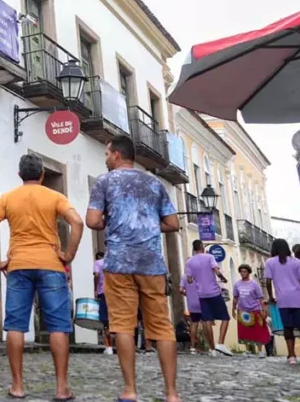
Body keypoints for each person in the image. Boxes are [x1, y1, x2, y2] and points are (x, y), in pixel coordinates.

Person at [86, 135, 181, 402]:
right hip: (151, 263)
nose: (105, 158)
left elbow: (92, 220)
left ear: (116, 155)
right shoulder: (155, 183)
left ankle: (130, 390)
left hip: (118, 263)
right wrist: (149, 225)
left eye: (106, 153)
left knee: (123, 326)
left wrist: (113, 221)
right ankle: (172, 393)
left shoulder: (104, 182)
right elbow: (173, 223)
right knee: (162, 326)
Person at [0, 154, 84, 401]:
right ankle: (61, 388)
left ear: (20, 175)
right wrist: (68, 255)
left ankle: (17, 386)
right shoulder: (54, 196)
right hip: (51, 264)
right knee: (58, 325)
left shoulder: (8, 197)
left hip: (18, 265)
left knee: (15, 325)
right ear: (41, 175)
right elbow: (78, 222)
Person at [265, 238, 300, 365]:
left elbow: (268, 281)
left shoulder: (270, 262)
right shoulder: (296, 262)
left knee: (288, 327)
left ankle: (291, 356)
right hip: (298, 298)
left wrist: (271, 297)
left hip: (282, 299)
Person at [185, 240, 232, 356]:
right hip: (214, 292)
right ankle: (220, 343)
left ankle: (212, 349)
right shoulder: (209, 257)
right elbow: (216, 270)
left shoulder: (189, 262)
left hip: (201, 294)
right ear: (202, 247)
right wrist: (223, 278)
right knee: (225, 317)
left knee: (206, 320)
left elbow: (189, 280)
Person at [232, 264, 269, 358]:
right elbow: (235, 297)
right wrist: (233, 308)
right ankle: (247, 349)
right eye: (241, 271)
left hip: (255, 310)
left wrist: (264, 310)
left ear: (248, 272)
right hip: (242, 310)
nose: (242, 273)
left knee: (258, 330)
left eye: (244, 271)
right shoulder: (237, 284)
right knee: (244, 331)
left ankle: (260, 350)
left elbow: (261, 298)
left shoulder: (254, 284)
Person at [93, 251, 114, 355]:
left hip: (103, 292)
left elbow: (96, 275)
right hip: (116, 293)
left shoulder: (98, 263)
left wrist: (95, 289)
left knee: (106, 322)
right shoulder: (113, 262)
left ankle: (109, 347)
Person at [178, 273, 202, 354]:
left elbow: (180, 290)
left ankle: (193, 347)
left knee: (193, 324)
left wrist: (189, 295)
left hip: (192, 303)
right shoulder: (200, 274)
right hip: (202, 301)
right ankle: (211, 347)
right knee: (206, 322)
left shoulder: (184, 276)